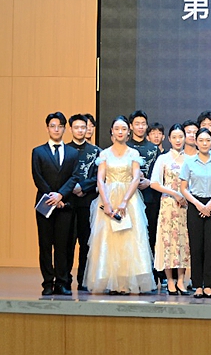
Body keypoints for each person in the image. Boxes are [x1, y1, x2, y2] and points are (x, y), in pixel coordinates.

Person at [84, 116, 156, 295]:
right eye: (117, 129)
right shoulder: (104, 154)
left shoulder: (133, 154)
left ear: (128, 131)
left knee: (130, 239)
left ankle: (127, 282)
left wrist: (124, 202)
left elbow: (136, 178)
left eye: (123, 129)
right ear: (112, 131)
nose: (120, 132)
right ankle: (111, 281)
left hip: (129, 199)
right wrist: (106, 203)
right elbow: (100, 180)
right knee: (108, 240)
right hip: (108, 197)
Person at [32, 112, 82, 296]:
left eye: (60, 126)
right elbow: (37, 177)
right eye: (52, 126)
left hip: (65, 205)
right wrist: (52, 198)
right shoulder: (38, 151)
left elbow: (74, 176)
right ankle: (47, 283)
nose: (56, 129)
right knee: (45, 245)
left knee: (63, 246)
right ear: (47, 128)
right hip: (44, 205)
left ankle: (62, 282)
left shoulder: (72, 153)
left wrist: (60, 195)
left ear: (64, 129)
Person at [179, 128, 211, 298]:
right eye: (201, 140)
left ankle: (210, 285)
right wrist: (198, 204)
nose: (204, 143)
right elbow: (183, 188)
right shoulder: (189, 162)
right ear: (196, 142)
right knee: (196, 247)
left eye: (207, 140)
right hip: (195, 205)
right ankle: (198, 285)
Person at [150, 124, 191, 295]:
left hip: (185, 205)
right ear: (169, 139)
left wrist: (185, 195)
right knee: (168, 240)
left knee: (183, 241)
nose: (178, 140)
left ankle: (181, 280)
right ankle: (170, 280)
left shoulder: (190, 158)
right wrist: (174, 193)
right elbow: (154, 183)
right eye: (174, 137)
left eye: (180, 137)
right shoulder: (163, 159)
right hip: (168, 204)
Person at [66, 113, 100, 293]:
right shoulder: (65, 150)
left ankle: (83, 279)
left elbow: (99, 177)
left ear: (88, 129)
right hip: (67, 203)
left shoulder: (96, 151)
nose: (80, 130)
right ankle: (64, 279)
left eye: (83, 127)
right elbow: (60, 175)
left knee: (86, 243)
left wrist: (83, 187)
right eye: (76, 127)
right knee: (67, 243)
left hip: (87, 202)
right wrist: (72, 187)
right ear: (70, 129)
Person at [128, 110, 161, 287]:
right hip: (129, 199)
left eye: (143, 124)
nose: (140, 127)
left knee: (150, 237)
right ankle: (131, 276)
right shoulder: (125, 148)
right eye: (137, 124)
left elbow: (160, 175)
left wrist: (149, 182)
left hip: (150, 198)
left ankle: (150, 277)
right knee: (131, 238)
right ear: (131, 126)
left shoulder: (154, 149)